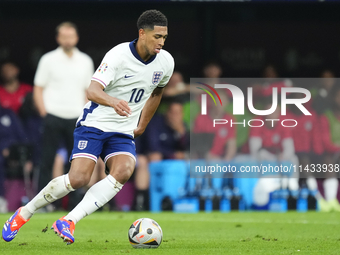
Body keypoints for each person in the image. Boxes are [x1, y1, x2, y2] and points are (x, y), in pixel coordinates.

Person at [2, 9, 174, 245]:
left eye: (164, 37)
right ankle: (24, 213)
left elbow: (157, 92)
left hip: (122, 129)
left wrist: (142, 124)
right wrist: (114, 102)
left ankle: (69, 221)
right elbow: (92, 91)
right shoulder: (118, 55)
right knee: (79, 178)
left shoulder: (166, 62)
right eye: (157, 37)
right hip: (94, 123)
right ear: (142, 33)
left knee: (124, 170)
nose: (161, 42)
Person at [33, 22, 94, 209]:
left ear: (76, 37)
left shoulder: (85, 60)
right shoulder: (48, 59)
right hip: (53, 114)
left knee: (76, 162)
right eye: (64, 36)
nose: (68, 39)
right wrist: (44, 112)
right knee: (46, 160)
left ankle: (74, 204)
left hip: (76, 117)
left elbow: (89, 90)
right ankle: (43, 204)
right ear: (58, 38)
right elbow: (38, 88)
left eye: (71, 36)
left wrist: (85, 114)